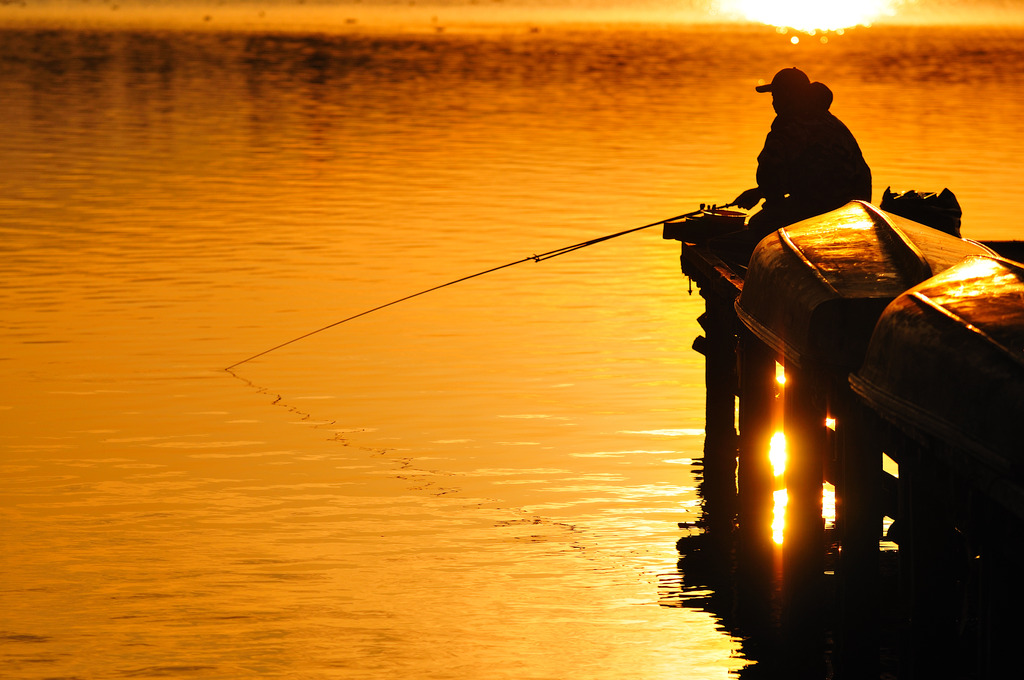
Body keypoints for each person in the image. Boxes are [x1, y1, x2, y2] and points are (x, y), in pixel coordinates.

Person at [731, 67, 872, 240]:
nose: (773, 103)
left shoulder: (787, 126)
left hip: (822, 211)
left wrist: (770, 199)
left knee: (759, 225)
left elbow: (770, 176)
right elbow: (815, 172)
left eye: (775, 96)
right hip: (858, 210)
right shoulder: (830, 121)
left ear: (788, 96)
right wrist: (760, 193)